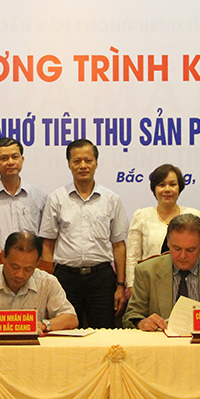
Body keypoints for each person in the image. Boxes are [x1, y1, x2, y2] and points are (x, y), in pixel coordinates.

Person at [39, 139, 129, 329]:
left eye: (88, 160)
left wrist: (121, 285)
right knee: (64, 332)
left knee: (104, 333)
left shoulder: (111, 199)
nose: (83, 166)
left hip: (101, 278)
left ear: (96, 163)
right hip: (65, 278)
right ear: (69, 164)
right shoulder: (57, 198)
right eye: (77, 161)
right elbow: (48, 244)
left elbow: (119, 245)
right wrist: (48, 283)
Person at [125, 163, 200, 291]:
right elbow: (132, 257)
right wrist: (132, 287)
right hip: (150, 284)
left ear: (180, 188)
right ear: (154, 189)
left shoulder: (194, 215)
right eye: (161, 185)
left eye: (172, 184)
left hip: (189, 284)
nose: (167, 189)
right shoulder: (141, 216)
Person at [0, 138, 48, 253]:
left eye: (15, 157)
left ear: (22, 159)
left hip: (32, 262)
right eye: (4, 158)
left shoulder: (39, 197)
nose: (10, 162)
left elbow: (46, 239)